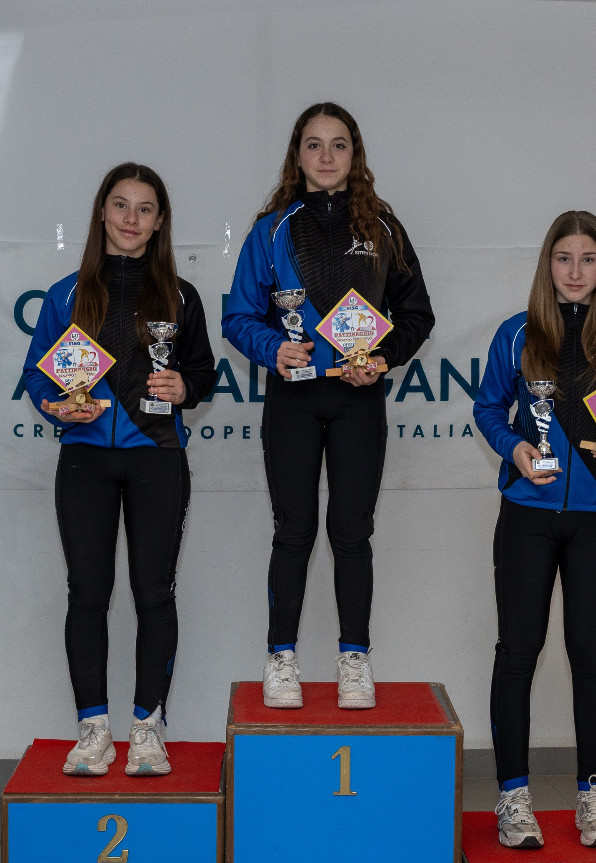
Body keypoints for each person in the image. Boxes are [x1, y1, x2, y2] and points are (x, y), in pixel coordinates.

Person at [224, 102, 435, 710]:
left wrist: (383, 357)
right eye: (313, 144)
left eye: (338, 144)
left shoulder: (385, 228)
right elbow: (237, 317)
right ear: (297, 155)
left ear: (354, 155)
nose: (325, 156)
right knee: (293, 532)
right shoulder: (270, 229)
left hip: (357, 400)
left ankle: (354, 658)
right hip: (292, 398)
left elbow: (417, 314)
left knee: (351, 533)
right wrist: (274, 348)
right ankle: (281, 657)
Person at [24, 163, 216, 776]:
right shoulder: (65, 295)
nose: (131, 219)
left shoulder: (182, 296)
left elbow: (203, 371)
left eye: (145, 208)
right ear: (102, 212)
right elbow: (37, 374)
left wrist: (185, 387)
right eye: (121, 205)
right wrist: (54, 405)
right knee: (87, 592)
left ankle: (147, 728)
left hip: (157, 457)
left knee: (154, 594)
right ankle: (93, 730)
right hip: (84, 458)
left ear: (159, 222)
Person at [474, 211, 596, 848]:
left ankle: (593, 796)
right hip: (527, 516)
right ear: (546, 264)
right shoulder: (516, 333)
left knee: (593, 657)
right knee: (517, 653)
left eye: (588, 259)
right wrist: (515, 448)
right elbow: (488, 408)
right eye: (563, 258)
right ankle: (513, 797)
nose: (575, 271)